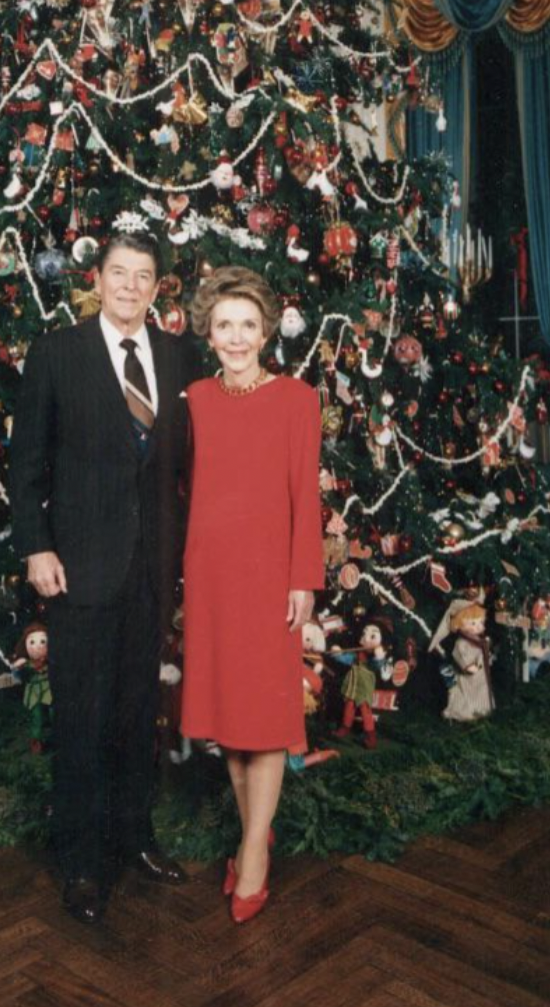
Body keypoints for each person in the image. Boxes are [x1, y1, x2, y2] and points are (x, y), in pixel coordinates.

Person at [9, 231, 199, 926]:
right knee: (83, 717)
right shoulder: (57, 352)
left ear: (158, 288)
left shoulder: (180, 356)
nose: (129, 286)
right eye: (118, 273)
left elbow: (186, 467)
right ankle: (83, 862)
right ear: (99, 278)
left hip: (150, 570)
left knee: (134, 713)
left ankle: (134, 836)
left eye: (142, 276)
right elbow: (26, 462)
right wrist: (36, 547)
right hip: (77, 569)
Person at [180, 266, 323, 925]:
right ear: (209, 333)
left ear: (266, 331)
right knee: (231, 725)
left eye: (247, 325)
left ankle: (254, 858)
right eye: (223, 326)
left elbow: (305, 497)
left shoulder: (297, 399)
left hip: (270, 579)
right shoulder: (196, 401)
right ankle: (254, 832)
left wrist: (304, 581)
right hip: (211, 578)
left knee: (264, 720)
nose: (236, 338)